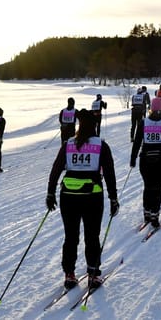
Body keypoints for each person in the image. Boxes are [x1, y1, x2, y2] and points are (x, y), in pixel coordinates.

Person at [46, 109, 118, 290]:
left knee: (71, 236)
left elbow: (56, 169)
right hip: (92, 197)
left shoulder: (68, 144)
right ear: (94, 126)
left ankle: (69, 274)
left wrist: (50, 193)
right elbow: (109, 173)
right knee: (92, 236)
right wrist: (113, 197)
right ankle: (93, 274)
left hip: (68, 196)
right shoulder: (101, 145)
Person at [130, 97, 161, 227]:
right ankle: (154, 215)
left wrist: (133, 159)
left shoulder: (143, 122)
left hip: (146, 160)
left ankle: (147, 212)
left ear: (151, 109)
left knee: (148, 186)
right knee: (158, 187)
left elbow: (137, 142)